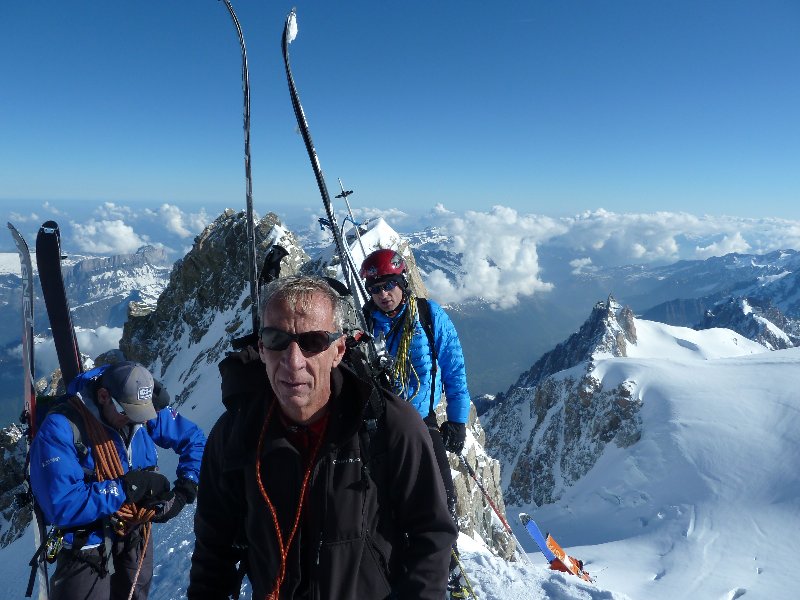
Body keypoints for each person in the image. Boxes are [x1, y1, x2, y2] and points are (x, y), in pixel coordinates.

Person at [188, 276, 457, 599]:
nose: (293, 361)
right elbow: (213, 551)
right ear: (261, 348)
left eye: (313, 342)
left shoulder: (389, 425)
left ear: (338, 350)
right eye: (276, 339)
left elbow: (432, 535)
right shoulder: (235, 432)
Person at [29, 361, 206, 600]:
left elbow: (193, 439)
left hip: (136, 533)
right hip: (87, 546)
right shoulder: (61, 426)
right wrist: (127, 488)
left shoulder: (140, 407)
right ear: (104, 396)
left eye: (142, 414)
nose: (138, 421)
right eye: (129, 413)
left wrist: (186, 488)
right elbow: (60, 504)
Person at [359, 248, 472, 596]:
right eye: (376, 289)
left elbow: (454, 370)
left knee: (441, 498)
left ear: (402, 283)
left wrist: (456, 420)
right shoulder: (363, 326)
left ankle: (446, 569)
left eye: (390, 285)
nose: (383, 295)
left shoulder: (428, 315)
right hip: (381, 425)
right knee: (384, 503)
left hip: (421, 422)